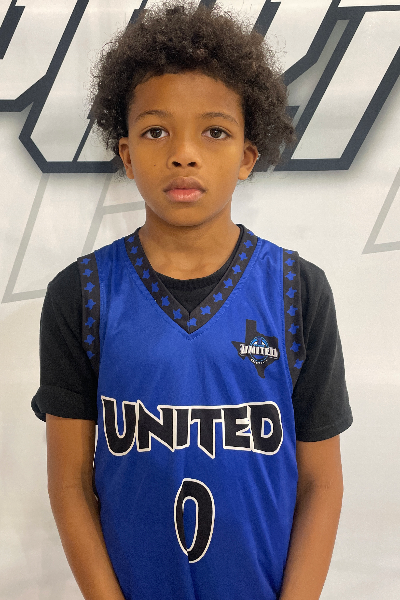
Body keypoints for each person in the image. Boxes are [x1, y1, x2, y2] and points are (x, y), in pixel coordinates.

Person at [32, 2, 353, 599]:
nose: (184, 153)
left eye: (214, 131)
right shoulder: (81, 295)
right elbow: (70, 483)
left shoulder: (298, 290)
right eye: (156, 131)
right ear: (127, 154)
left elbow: (321, 484)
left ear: (248, 156)